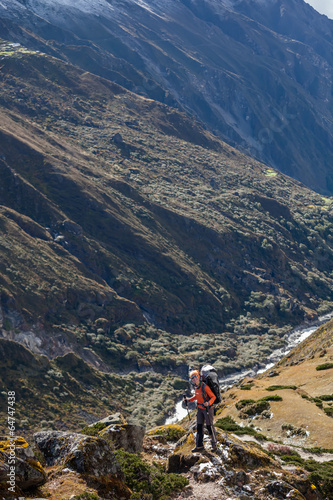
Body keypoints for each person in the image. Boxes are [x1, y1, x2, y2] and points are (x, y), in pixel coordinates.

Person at [184, 369, 217, 452]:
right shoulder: (196, 387)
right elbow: (197, 396)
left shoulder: (205, 386)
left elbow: (213, 397)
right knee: (199, 427)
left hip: (207, 409)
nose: (194, 379)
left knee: (209, 427)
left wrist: (208, 403)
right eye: (192, 378)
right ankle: (199, 446)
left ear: (198, 376)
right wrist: (189, 400)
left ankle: (214, 445)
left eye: (195, 376)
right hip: (200, 409)